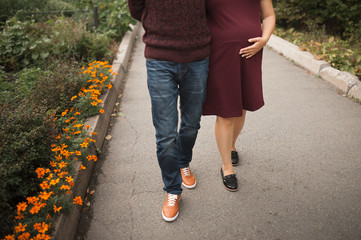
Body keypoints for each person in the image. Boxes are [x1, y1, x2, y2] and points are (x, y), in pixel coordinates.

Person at [127, 1, 211, 221]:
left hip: (197, 57)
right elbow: (136, 8)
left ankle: (183, 162)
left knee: (192, 124)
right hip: (159, 58)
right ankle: (173, 189)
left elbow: (212, 8)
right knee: (165, 134)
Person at [202, 0, 275, 191]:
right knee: (226, 111)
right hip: (220, 53)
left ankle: (231, 145)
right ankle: (227, 168)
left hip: (250, 54)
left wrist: (264, 39)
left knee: (242, 107)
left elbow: (269, 16)